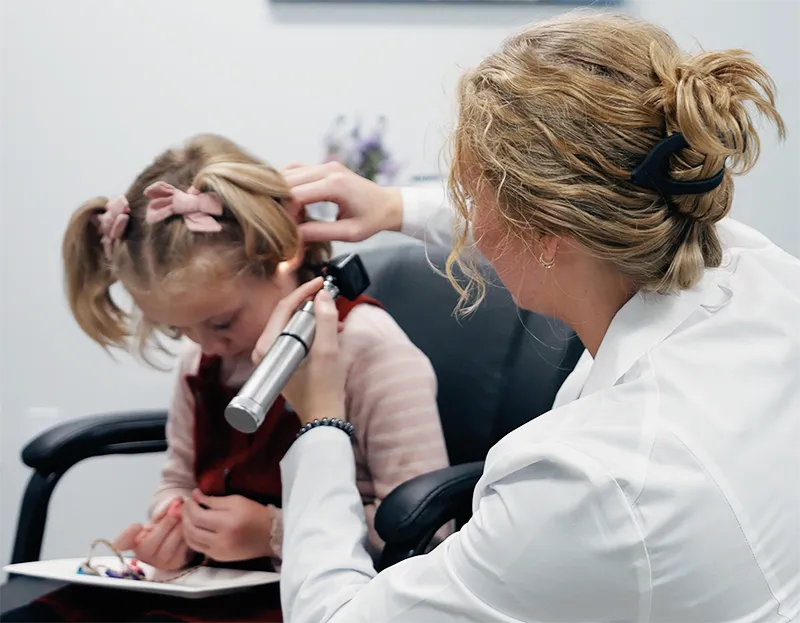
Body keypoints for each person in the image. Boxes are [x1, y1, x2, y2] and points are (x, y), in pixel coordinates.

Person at [263, 12, 800, 623]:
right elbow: (579, 207)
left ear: (545, 231)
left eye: (473, 195)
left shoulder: (590, 483)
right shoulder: (751, 268)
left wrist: (321, 421)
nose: (470, 226)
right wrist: (393, 207)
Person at [1, 134, 450, 623]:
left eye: (221, 323)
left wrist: (272, 533)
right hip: (203, 588)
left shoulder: (371, 351)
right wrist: (172, 524)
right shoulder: (200, 362)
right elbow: (176, 479)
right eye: (178, 328)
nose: (205, 345)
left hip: (312, 597)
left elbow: (425, 532)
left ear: (284, 255)